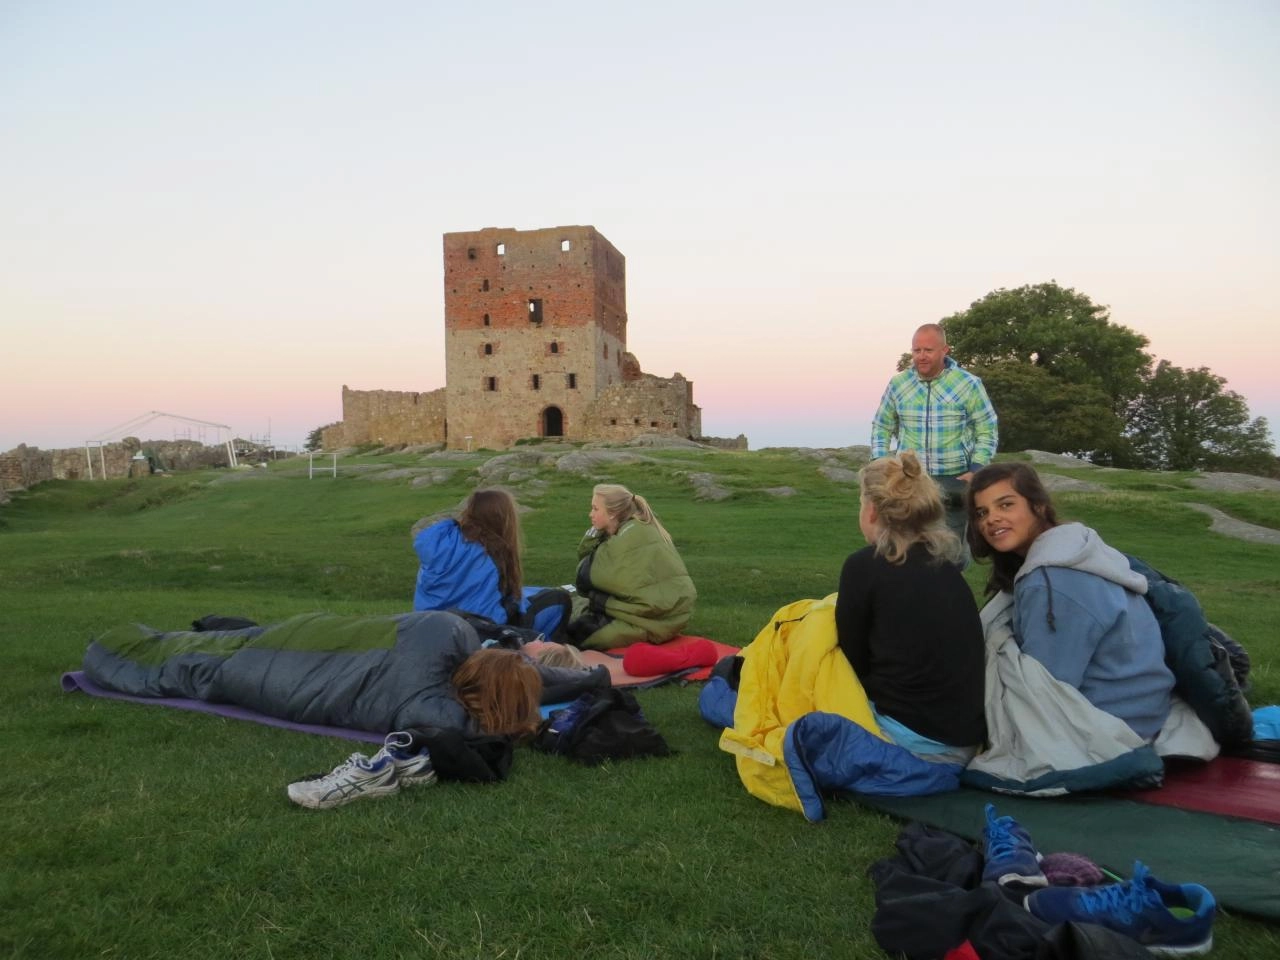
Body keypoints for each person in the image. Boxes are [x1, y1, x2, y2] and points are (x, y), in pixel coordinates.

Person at [967, 462, 1174, 740]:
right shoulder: (1076, 551)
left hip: (1113, 724)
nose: (991, 519)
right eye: (982, 512)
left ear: (1038, 506)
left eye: (1005, 505)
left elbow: (1045, 686)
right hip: (1145, 710)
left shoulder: (1051, 580)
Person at [834, 452, 987, 760]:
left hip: (910, 741)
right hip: (965, 740)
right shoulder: (947, 568)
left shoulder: (864, 566)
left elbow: (851, 661)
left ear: (873, 511)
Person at [870, 323, 999, 559]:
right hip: (909, 479)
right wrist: (881, 462)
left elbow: (987, 427)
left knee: (952, 552)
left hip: (954, 479)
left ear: (945, 350)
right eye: (916, 350)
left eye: (928, 350)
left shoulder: (968, 384)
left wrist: (977, 469)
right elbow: (882, 424)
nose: (921, 356)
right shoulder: (899, 384)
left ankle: (950, 591)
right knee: (905, 547)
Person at [412, 488, 569, 638]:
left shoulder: (444, 541)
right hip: (477, 632)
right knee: (559, 600)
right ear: (503, 519)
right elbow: (491, 615)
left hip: (427, 626)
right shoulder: (493, 550)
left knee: (530, 593)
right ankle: (547, 656)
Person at [565, 483, 697, 650]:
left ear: (613, 513)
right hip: (674, 618)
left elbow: (584, 576)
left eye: (595, 509)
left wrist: (594, 533)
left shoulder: (621, 543)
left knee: (576, 629)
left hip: (645, 621)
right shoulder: (645, 527)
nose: (590, 514)